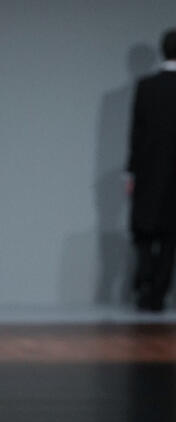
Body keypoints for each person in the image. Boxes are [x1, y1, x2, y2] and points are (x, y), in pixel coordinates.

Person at [128, 29, 176, 311]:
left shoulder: (146, 87)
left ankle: (147, 282)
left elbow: (137, 133)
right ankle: (156, 292)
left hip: (149, 169)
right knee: (171, 235)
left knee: (144, 229)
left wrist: (131, 172)